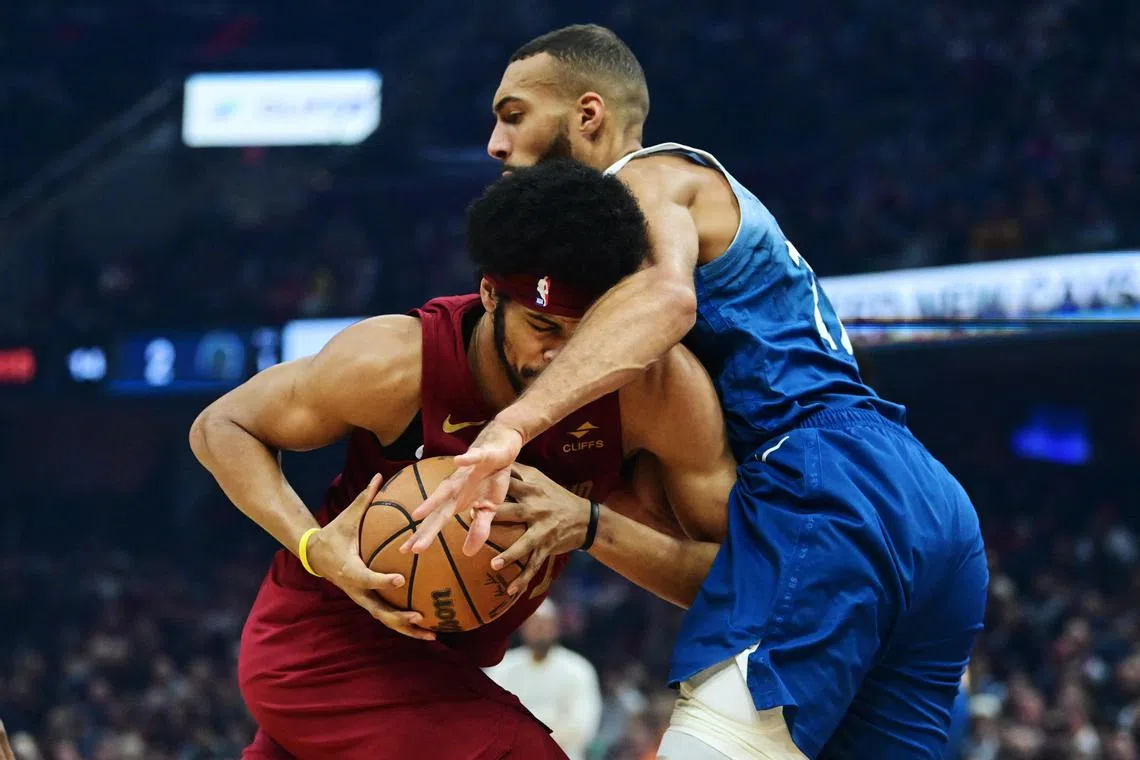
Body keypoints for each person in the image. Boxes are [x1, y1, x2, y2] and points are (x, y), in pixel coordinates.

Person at [407, 24, 989, 760]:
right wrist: (591, 522)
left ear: (587, 115)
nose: (494, 142)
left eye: (513, 113)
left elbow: (667, 297)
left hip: (824, 472)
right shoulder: (639, 351)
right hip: (917, 503)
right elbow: (716, 571)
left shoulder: (646, 178)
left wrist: (514, 422)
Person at [189, 160, 736, 759]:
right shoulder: (398, 364)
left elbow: (727, 579)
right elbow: (222, 425)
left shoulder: (652, 392)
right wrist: (314, 546)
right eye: (541, 325)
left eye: (583, 331)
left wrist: (591, 527)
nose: (559, 354)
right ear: (488, 293)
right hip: (326, 648)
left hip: (441, 671)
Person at [484, 600, 603, 760]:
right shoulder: (501, 668)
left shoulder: (578, 670)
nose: (540, 629)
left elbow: (583, 726)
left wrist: (529, 737)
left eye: (546, 624)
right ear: (523, 628)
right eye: (535, 624)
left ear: (556, 628)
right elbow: (490, 720)